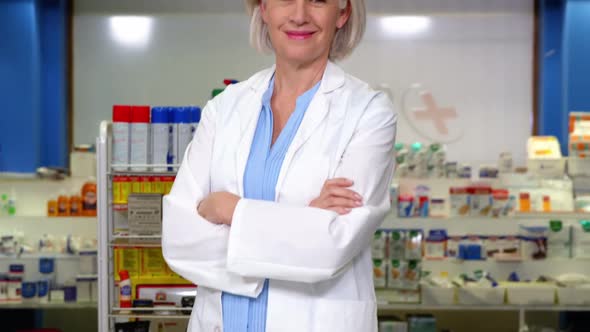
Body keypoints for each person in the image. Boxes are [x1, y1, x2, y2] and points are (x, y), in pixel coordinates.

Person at [162, 0, 397, 331]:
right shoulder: (224, 108)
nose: (299, 15)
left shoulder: (369, 113)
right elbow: (181, 240)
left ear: (342, 13)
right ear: (263, 8)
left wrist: (229, 209)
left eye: (318, 0)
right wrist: (304, 220)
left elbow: (330, 246)